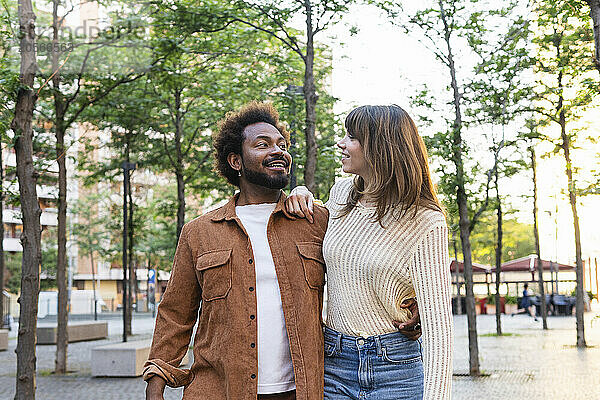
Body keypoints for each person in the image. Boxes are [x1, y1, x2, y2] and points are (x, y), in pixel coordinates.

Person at [143, 101, 423, 400]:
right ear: (236, 161)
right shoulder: (200, 232)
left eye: (282, 144)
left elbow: (365, 264)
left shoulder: (315, 221)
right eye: (262, 145)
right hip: (220, 389)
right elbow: (175, 313)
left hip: (301, 390)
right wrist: (156, 384)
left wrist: (410, 301)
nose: (278, 151)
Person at [286, 105, 453, 400]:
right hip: (335, 363)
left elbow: (439, 329)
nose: (341, 143)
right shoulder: (341, 194)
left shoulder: (426, 221)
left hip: (395, 369)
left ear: (380, 147)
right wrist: (300, 191)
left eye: (351, 137)